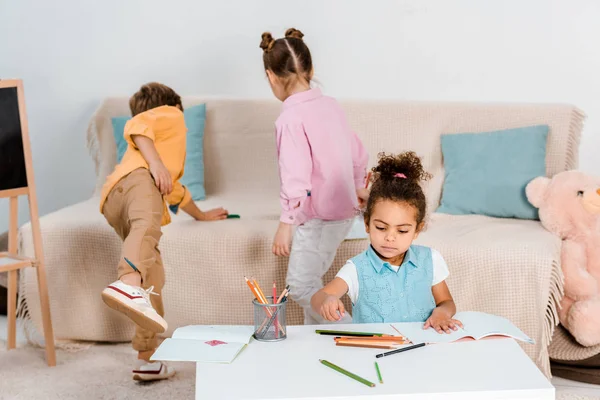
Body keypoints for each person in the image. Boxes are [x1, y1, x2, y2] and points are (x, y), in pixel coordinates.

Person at [99, 82, 228, 381]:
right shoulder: (170, 114)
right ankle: (127, 282)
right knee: (146, 228)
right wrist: (155, 163)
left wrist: (203, 215)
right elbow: (137, 124)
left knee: (153, 276)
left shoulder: (157, 162)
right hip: (136, 184)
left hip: (114, 202)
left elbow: (176, 192)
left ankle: (147, 359)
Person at [259, 28, 369, 324]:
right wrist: (358, 186)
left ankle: (351, 330)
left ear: (271, 76)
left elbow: (296, 178)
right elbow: (356, 151)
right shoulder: (330, 105)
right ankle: (318, 344)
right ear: (311, 69)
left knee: (301, 286)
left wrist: (286, 223)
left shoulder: (289, 118)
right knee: (314, 278)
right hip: (344, 212)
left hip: (319, 217)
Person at [311, 152, 462, 333]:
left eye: (402, 230)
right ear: (367, 224)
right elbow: (319, 297)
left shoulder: (430, 260)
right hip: (376, 353)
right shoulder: (357, 269)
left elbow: (446, 302)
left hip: (423, 349)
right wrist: (327, 301)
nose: (390, 237)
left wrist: (442, 313)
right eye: (381, 228)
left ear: (417, 230)